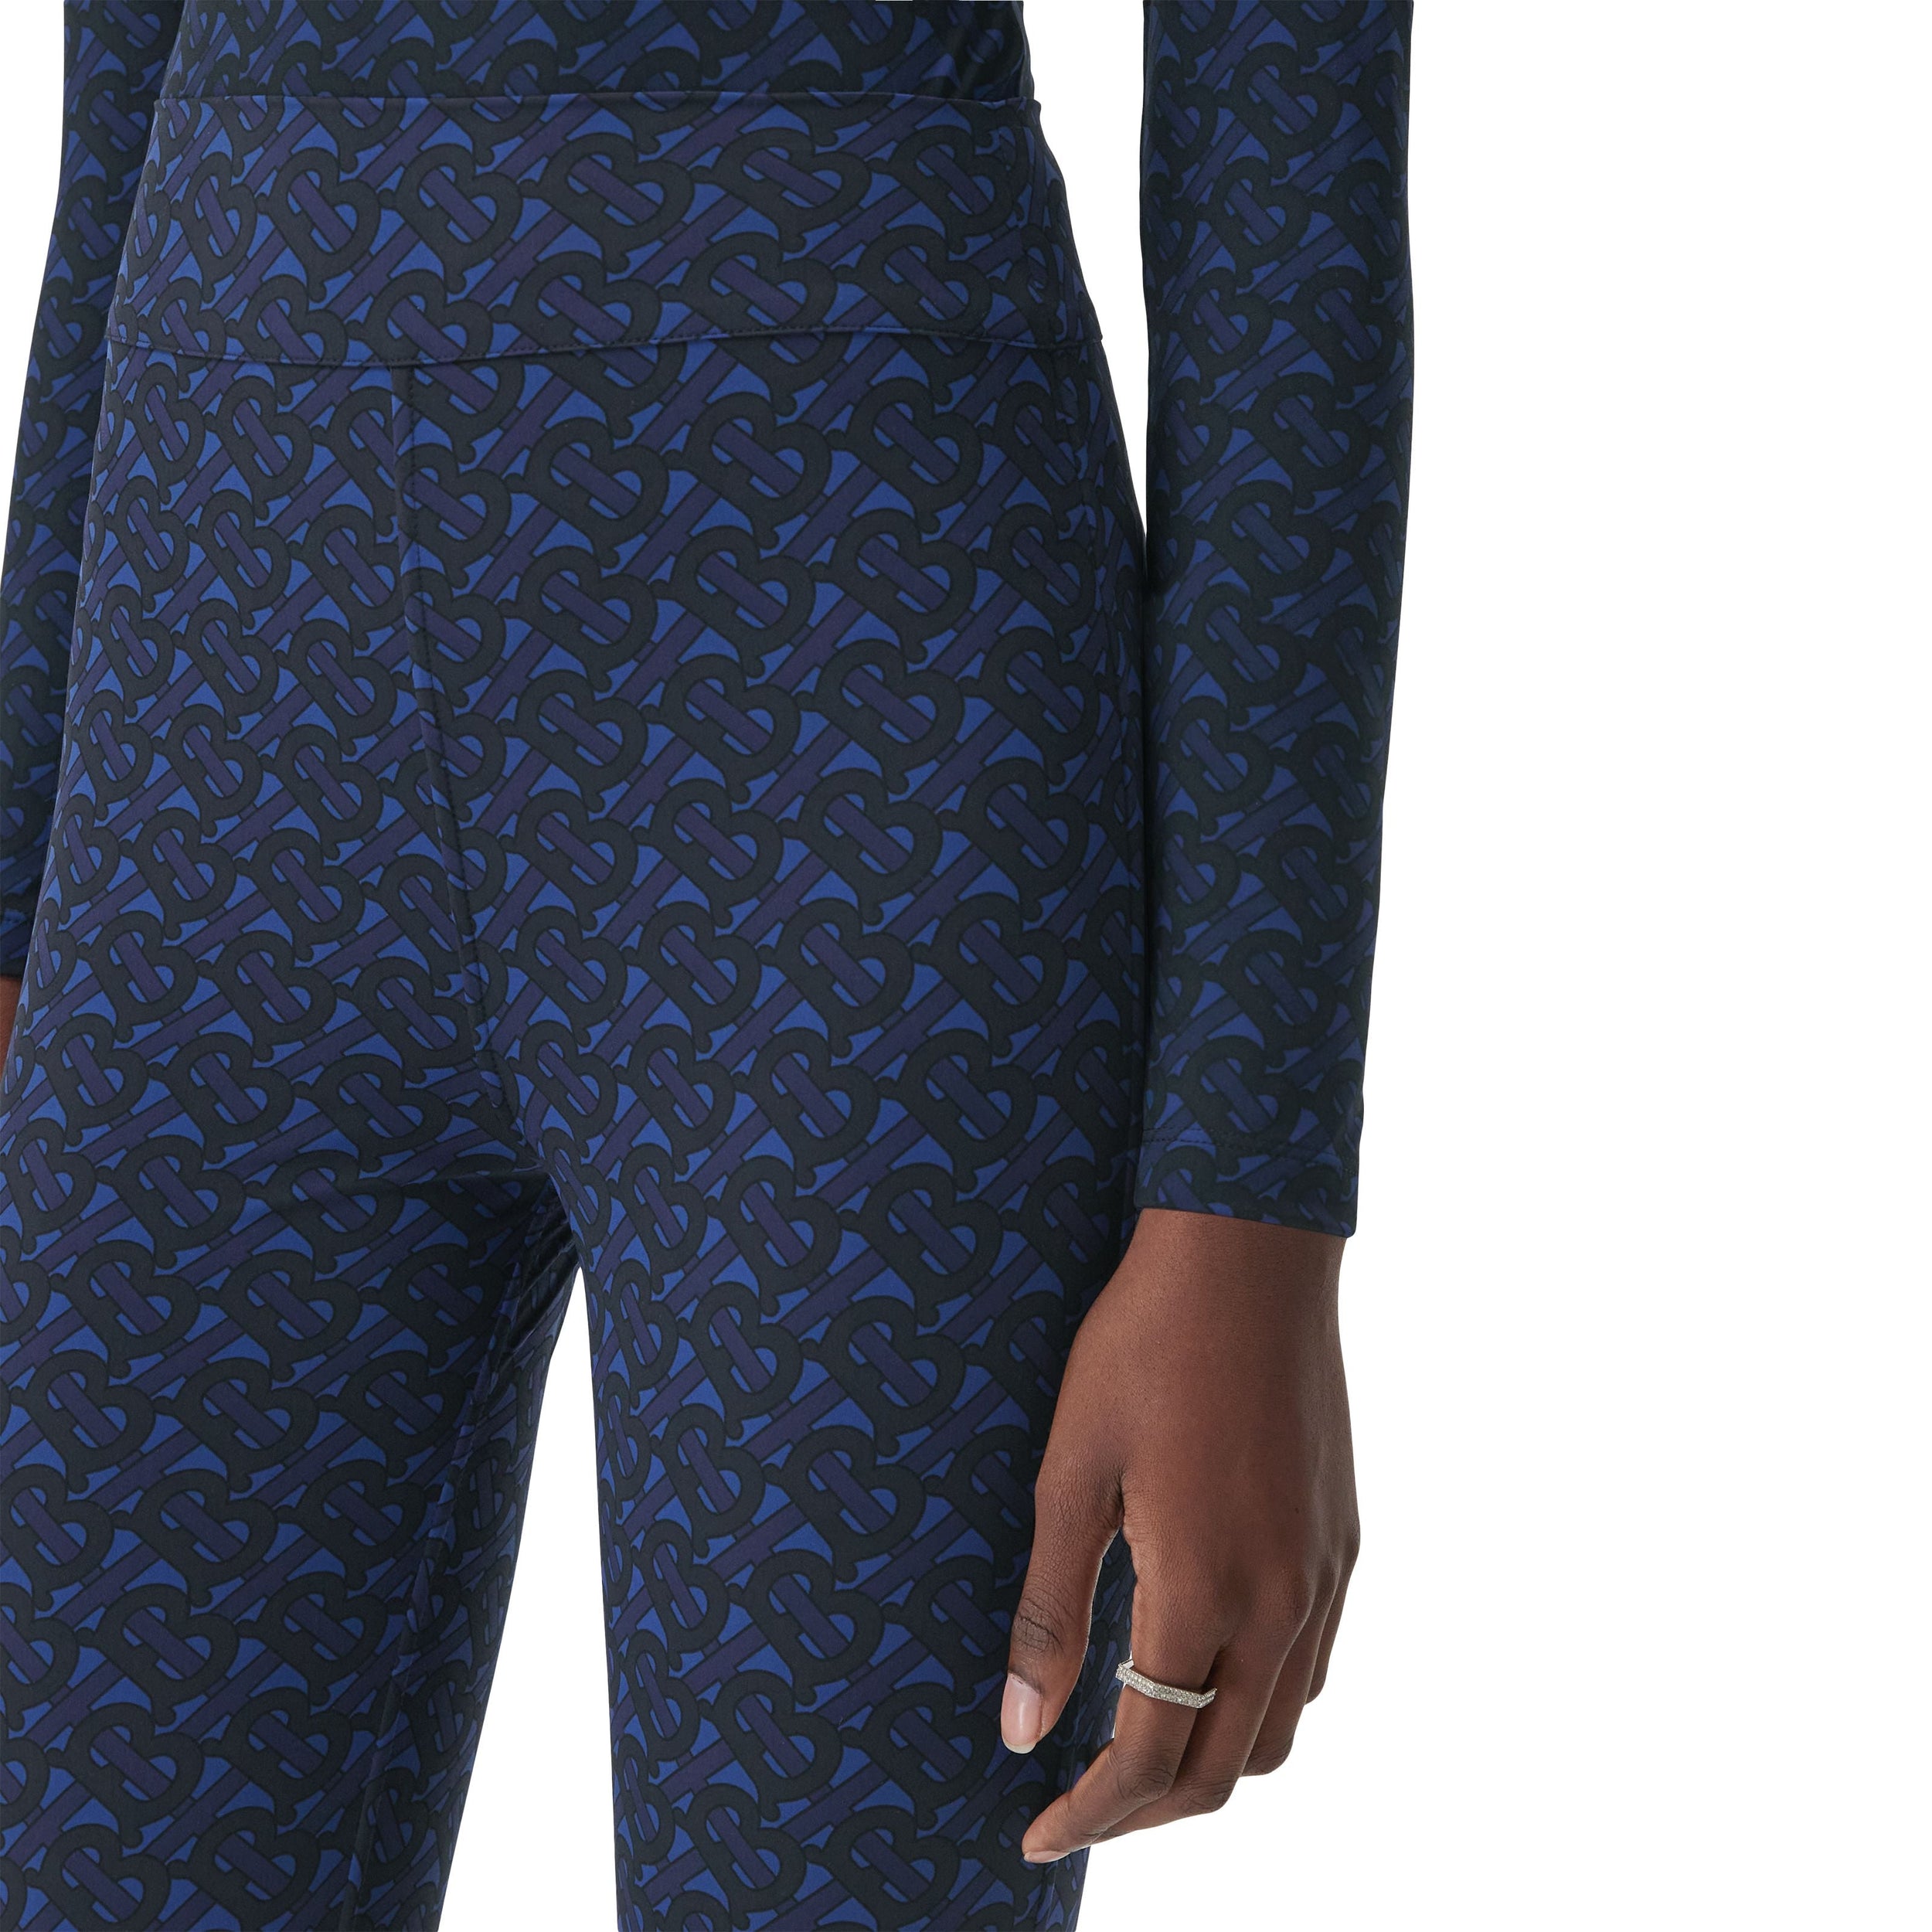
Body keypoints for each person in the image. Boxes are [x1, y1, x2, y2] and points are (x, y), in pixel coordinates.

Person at [0, 2, 1411, 1927]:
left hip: (837, 783)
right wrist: (19, 877)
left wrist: (1250, 1190)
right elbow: (119, 92)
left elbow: (1284, 189)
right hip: (199, 778)